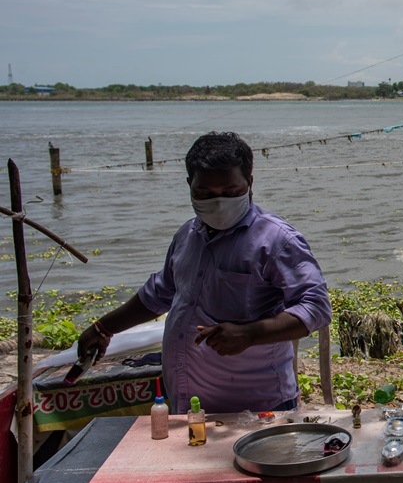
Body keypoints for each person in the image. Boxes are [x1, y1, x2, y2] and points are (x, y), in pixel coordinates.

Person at [75, 132, 332, 414]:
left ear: (250, 183)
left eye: (231, 193)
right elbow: (160, 292)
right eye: (205, 194)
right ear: (190, 185)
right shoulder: (187, 234)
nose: (219, 203)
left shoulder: (276, 240)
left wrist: (249, 334)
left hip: (258, 406)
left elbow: (316, 307)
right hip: (188, 401)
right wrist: (103, 328)